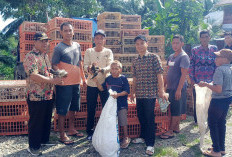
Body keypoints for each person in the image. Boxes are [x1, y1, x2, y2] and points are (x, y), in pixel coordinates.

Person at [23, 32, 63, 156]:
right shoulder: (30, 56)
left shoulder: (44, 55)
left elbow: (47, 71)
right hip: (36, 95)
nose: (45, 43)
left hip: (48, 94)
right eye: (42, 41)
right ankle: (33, 147)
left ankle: (44, 141)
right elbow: (34, 75)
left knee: (46, 119)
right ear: (35, 42)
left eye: (46, 41)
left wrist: (58, 73)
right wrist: (52, 80)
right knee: (36, 121)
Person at [130, 35, 168, 156]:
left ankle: (150, 144)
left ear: (147, 44)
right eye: (137, 44)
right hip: (140, 94)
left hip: (151, 93)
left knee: (149, 118)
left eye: (142, 43)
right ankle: (143, 137)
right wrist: (132, 92)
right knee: (141, 116)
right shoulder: (135, 60)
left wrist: (161, 91)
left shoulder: (153, 57)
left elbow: (160, 75)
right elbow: (134, 78)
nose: (139, 46)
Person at [52, 22, 86, 145]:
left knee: (73, 108)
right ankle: (62, 135)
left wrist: (84, 78)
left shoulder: (77, 45)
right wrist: (60, 72)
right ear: (61, 32)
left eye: (70, 30)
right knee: (62, 109)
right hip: (64, 83)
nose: (68, 33)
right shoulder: (58, 48)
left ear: (73, 31)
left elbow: (80, 63)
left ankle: (71, 129)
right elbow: (54, 64)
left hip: (76, 82)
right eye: (65, 30)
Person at [199, 49, 232, 157]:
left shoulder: (219, 70)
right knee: (221, 123)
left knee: (212, 123)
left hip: (218, 100)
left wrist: (206, 84)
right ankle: (221, 148)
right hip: (227, 99)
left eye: (218, 57)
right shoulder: (230, 69)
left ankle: (216, 151)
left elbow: (218, 89)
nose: (215, 59)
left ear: (225, 59)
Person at [84, 29, 114, 140]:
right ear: (94, 39)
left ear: (104, 40)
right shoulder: (89, 51)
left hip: (104, 83)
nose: (99, 40)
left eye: (101, 38)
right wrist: (89, 69)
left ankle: (106, 130)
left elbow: (110, 65)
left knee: (106, 107)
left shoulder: (108, 52)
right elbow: (85, 65)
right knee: (91, 108)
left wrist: (102, 70)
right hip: (92, 83)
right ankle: (90, 131)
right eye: (97, 37)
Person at [93, 60, 131, 148]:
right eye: (112, 69)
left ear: (120, 70)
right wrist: (96, 81)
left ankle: (126, 137)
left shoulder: (123, 79)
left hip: (121, 104)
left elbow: (126, 91)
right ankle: (111, 138)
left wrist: (117, 95)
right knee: (110, 121)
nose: (114, 71)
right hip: (110, 105)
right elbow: (102, 89)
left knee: (123, 120)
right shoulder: (108, 79)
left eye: (116, 69)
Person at [160, 35, 190, 139]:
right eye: (173, 43)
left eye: (177, 43)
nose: (175, 45)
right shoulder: (171, 56)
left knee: (176, 109)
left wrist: (179, 90)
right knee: (172, 108)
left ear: (182, 43)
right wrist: (164, 87)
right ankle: (176, 128)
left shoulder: (184, 57)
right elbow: (168, 71)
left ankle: (171, 131)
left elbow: (183, 75)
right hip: (170, 87)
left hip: (178, 88)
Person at [189, 30, 218, 123]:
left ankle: (209, 120)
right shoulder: (195, 50)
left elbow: (217, 64)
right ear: (200, 38)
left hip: (210, 81)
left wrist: (216, 80)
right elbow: (191, 66)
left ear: (209, 38)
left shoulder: (214, 49)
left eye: (206, 37)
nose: (204, 39)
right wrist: (192, 81)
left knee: (210, 101)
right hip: (198, 82)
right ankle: (197, 120)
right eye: (202, 37)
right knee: (198, 102)